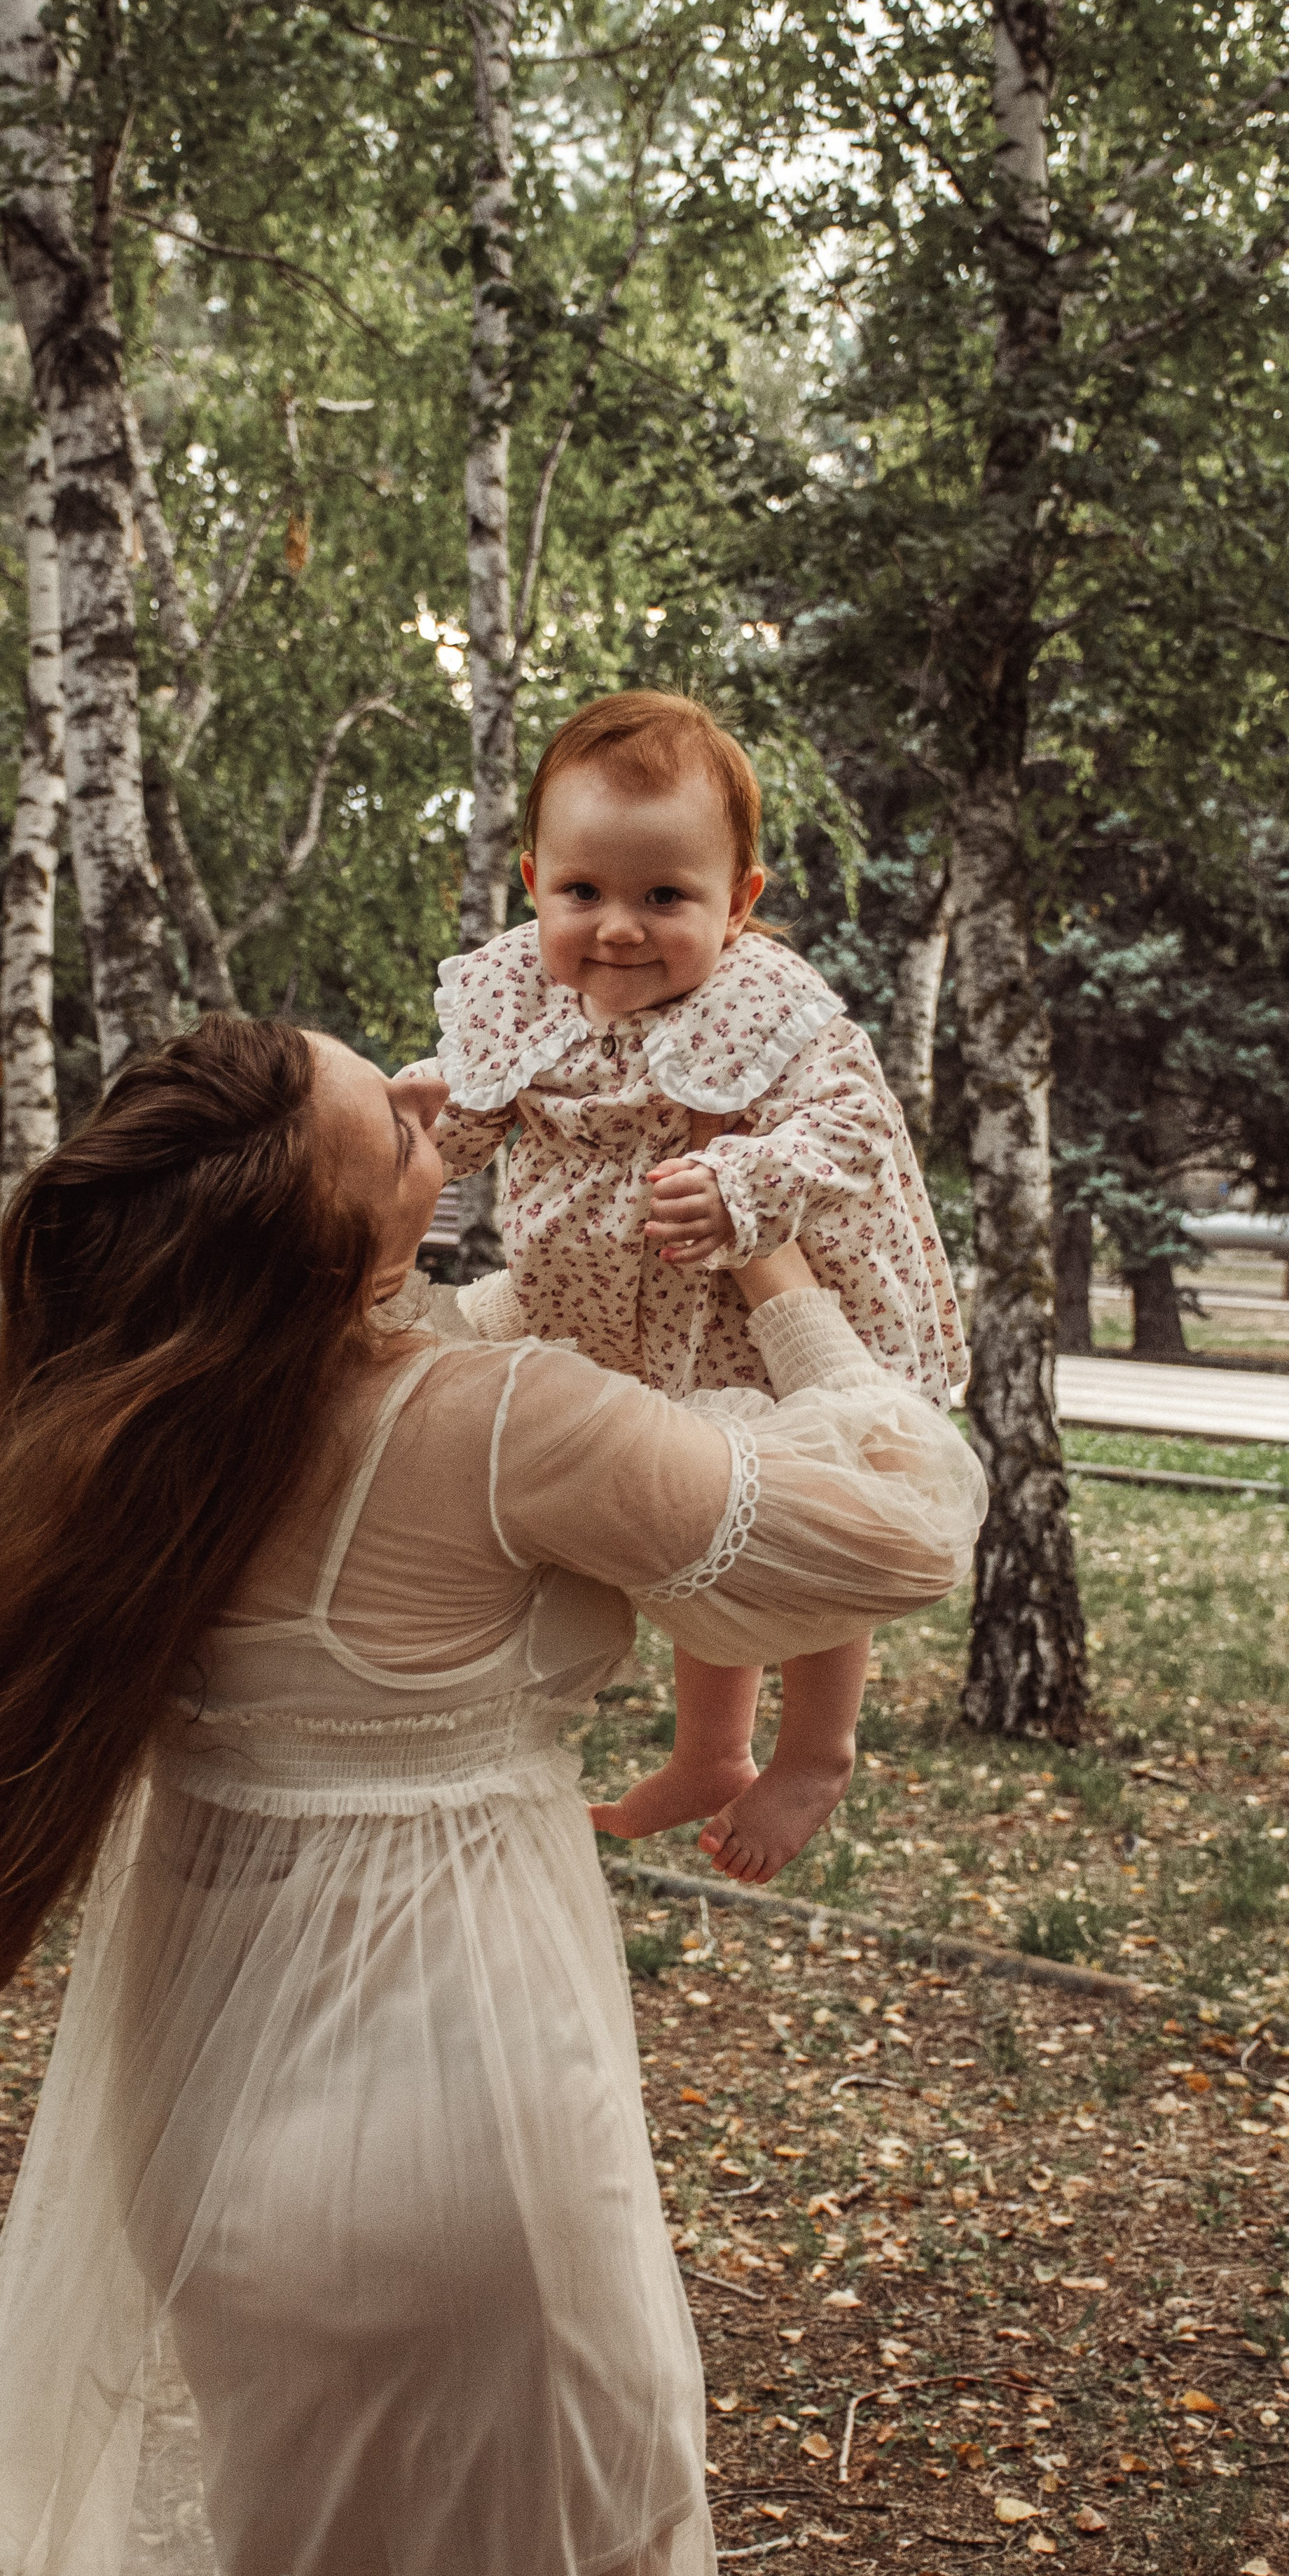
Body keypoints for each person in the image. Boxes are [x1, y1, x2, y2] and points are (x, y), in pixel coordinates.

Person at [0, 1016, 984, 2576]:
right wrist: (772, 1261)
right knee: (555, 2539)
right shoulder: (508, 1421)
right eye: (403, 1127)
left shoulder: (138, 1422)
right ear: (341, 1243)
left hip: (203, 2112)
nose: (436, 1106)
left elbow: (467, 1306)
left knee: (299, 2542)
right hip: (465, 2105)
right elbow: (903, 1525)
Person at [408, 690, 967, 1884]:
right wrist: (394, 1128)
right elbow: (466, 1115)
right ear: (534, 883)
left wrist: (743, 1180)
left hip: (741, 1321)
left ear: (740, 902)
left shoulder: (764, 1004)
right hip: (599, 1307)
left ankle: (816, 1751)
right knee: (706, 1526)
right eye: (583, 892)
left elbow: (857, 1128)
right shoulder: (519, 996)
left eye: (666, 897)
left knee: (812, 1511)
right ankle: (711, 1752)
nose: (619, 928)